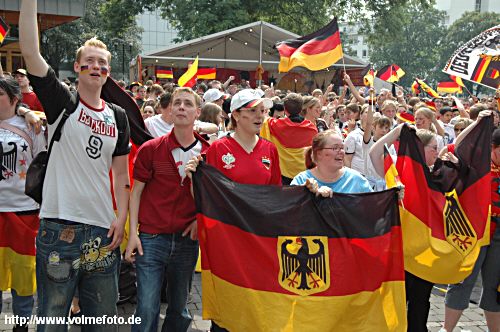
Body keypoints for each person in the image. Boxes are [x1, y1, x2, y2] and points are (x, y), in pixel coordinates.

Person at [19, 2, 131, 331]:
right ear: (78, 67)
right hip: (59, 231)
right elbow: (29, 51)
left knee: (103, 324)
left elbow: (123, 174)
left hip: (102, 233)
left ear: (109, 72)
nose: (96, 67)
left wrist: (122, 217)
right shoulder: (62, 102)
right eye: (89, 62)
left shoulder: (118, 116)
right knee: (52, 323)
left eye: (103, 63)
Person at [369, 111, 492, 332]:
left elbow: (457, 145)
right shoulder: (400, 173)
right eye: (432, 148)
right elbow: (374, 152)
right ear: (420, 149)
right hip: (400, 252)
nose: (438, 152)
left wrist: (477, 123)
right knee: (397, 300)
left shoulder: (442, 174)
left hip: (426, 254)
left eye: (437, 147)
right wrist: (399, 131)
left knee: (421, 301)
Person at [126, 87, 209, 332]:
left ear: (197, 113)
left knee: (179, 308)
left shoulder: (208, 152)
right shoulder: (151, 149)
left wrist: (199, 221)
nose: (182, 107)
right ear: (170, 110)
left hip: (186, 240)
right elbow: (136, 193)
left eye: (188, 104)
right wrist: (132, 235)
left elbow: (211, 199)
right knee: (146, 307)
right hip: (152, 238)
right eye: (177, 103)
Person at [440, 131, 500, 332]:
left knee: (494, 286)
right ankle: (446, 329)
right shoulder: (477, 162)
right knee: (463, 280)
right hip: (475, 231)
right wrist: (476, 124)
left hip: (499, 234)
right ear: (492, 147)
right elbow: (453, 146)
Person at [0, 77, 46, 332]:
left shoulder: (32, 126)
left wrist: (26, 112)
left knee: (23, 273)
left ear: (14, 98)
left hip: (24, 211)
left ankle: (21, 325)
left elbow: (40, 163)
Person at [260, 93, 317, 185]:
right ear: (301, 108)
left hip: (282, 175)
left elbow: (265, 120)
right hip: (304, 175)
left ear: (285, 110)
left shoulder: (273, 125)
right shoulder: (312, 129)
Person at [291, 130, 372, 194]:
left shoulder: (355, 180)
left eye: (342, 147)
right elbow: (290, 210)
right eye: (335, 148)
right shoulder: (302, 180)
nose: (341, 152)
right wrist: (303, 191)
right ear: (319, 153)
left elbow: (375, 207)